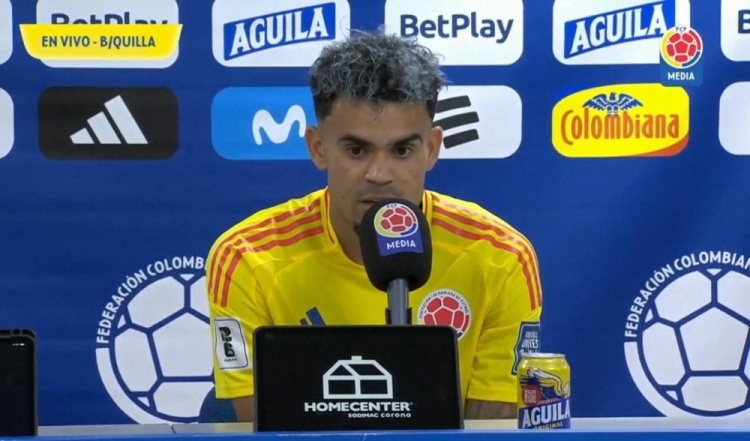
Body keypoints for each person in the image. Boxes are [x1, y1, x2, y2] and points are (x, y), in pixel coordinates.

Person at [206, 30, 543, 422]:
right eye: (356, 150)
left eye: (402, 150)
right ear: (317, 147)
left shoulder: (501, 258)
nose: (379, 174)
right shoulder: (245, 258)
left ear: (431, 149)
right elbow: (264, 428)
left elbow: (492, 430)